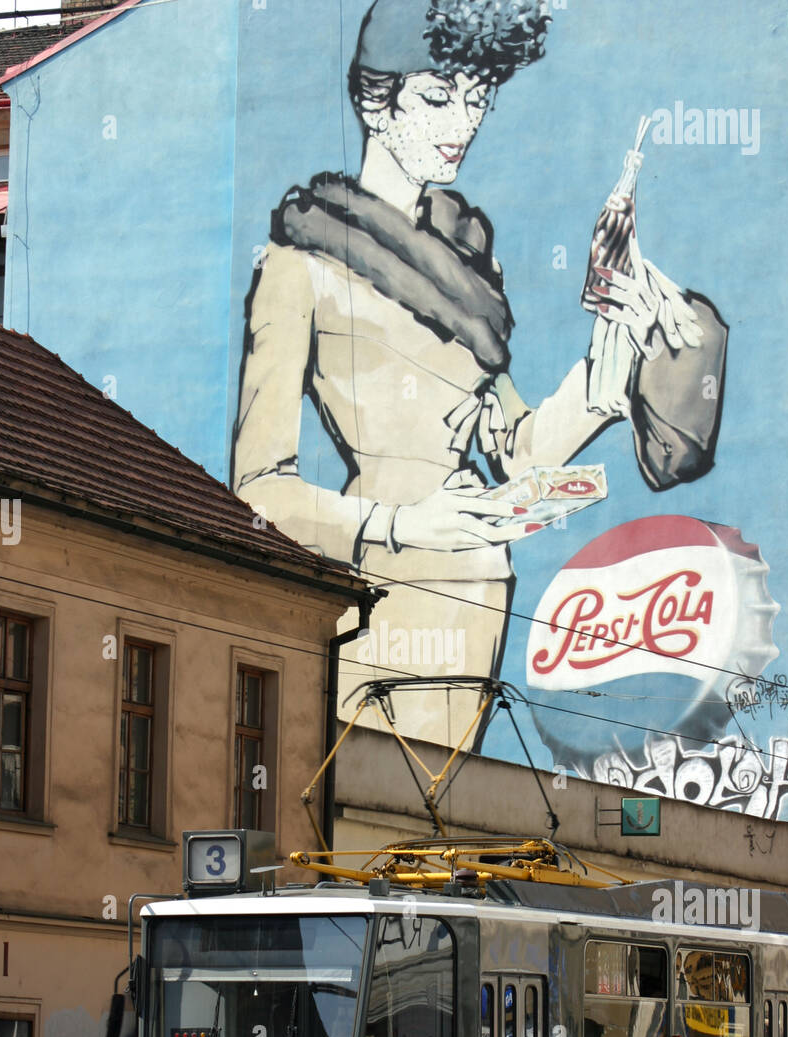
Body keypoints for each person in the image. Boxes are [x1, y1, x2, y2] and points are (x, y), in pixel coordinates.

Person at [232, 0, 727, 745]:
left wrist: (609, 365)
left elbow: (519, 449)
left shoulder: (467, 254)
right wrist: (401, 524)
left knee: (446, 824)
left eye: (478, 96)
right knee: (370, 804)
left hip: (481, 580)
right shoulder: (299, 263)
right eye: (437, 96)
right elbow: (257, 490)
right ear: (377, 102)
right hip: (380, 582)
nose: (462, 120)